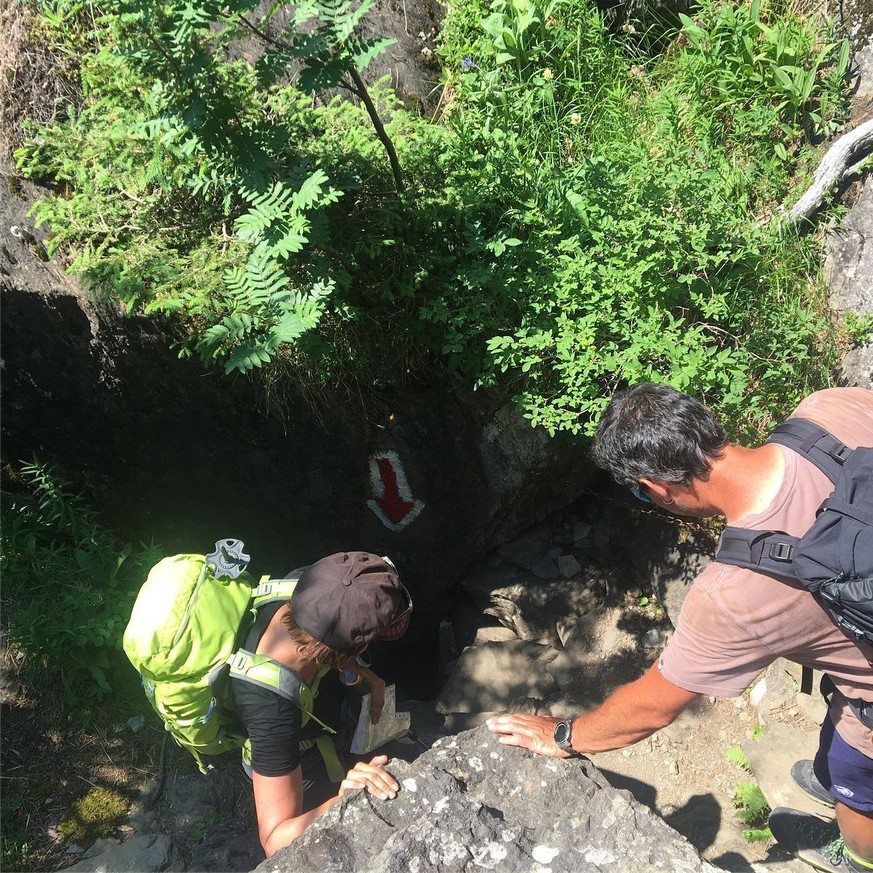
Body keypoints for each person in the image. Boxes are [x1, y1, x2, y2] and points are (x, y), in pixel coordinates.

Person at [487, 385, 873, 873]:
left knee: (857, 780)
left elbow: (651, 707)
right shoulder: (831, 408)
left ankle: (858, 855)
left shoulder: (735, 592)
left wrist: (563, 735)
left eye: (639, 493)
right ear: (707, 417)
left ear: (656, 486)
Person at [227, 551, 412, 857]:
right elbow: (274, 837)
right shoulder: (271, 712)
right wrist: (344, 797)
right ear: (358, 645)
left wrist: (366, 675)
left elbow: (332, 629)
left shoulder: (312, 583)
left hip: (307, 707)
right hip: (291, 750)